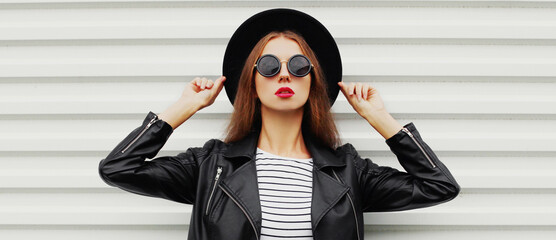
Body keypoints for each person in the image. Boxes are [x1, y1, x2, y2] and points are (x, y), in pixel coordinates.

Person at [98, 8, 460, 240]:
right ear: (251, 83)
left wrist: (380, 119)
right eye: (269, 66)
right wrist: (184, 106)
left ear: (312, 80)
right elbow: (118, 168)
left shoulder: (348, 172)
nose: (284, 75)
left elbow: (439, 186)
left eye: (299, 66)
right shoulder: (211, 166)